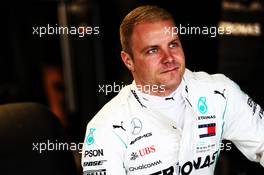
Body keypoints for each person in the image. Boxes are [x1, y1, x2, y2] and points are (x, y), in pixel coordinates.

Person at [82, 5, 264, 175]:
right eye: (153, 50)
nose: (168, 58)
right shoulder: (105, 129)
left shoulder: (219, 92)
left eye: (173, 44)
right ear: (128, 60)